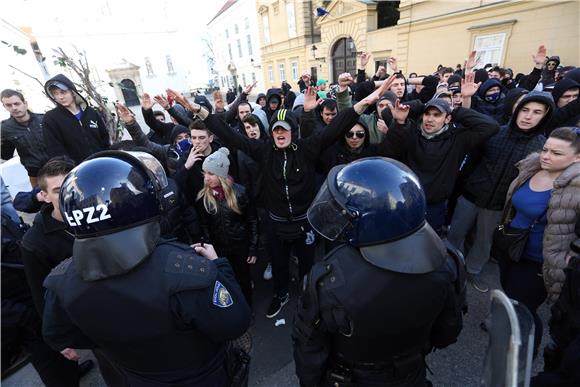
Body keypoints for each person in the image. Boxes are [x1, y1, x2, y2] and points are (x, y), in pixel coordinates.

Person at [188, 79, 396, 318]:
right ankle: (281, 294)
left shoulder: (307, 148)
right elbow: (230, 135)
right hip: (276, 223)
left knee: (308, 265)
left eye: (284, 129)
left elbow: (336, 127)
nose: (280, 134)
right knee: (279, 264)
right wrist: (198, 111)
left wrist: (365, 103)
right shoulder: (263, 151)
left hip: (304, 222)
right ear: (272, 132)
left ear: (291, 131)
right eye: (276, 129)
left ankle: (308, 296)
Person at [42, 150, 251, 386]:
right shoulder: (188, 274)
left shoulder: (59, 282)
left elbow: (57, 334)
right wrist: (218, 265)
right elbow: (236, 323)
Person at [293, 157, 463, 387]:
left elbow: (310, 350)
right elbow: (447, 334)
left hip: (351, 377)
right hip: (410, 374)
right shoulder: (448, 262)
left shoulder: (330, 282)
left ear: (370, 223)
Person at [448, 91, 555, 293]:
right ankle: (451, 268)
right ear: (516, 110)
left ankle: (471, 273)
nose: (528, 116)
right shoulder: (496, 132)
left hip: (499, 206)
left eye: (536, 112)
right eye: (525, 110)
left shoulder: (541, 147)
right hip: (470, 196)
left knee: (484, 242)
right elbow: (472, 159)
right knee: (455, 234)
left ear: (545, 116)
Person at [498, 127, 580, 353]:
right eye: (546, 149)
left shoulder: (576, 187)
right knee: (511, 299)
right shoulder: (530, 167)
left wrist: (573, 256)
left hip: (539, 262)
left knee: (524, 311)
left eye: (557, 153)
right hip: (512, 247)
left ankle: (523, 357)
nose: (546, 156)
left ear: (577, 158)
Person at [196, 147, 258, 306]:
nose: (206, 178)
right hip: (219, 249)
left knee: (244, 279)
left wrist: (252, 248)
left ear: (221, 175)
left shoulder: (240, 193)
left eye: (211, 174)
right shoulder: (204, 197)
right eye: (204, 174)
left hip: (240, 246)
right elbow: (204, 225)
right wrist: (208, 246)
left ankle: (247, 307)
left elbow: (252, 221)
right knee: (226, 280)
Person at [42, 74, 110, 165]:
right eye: (55, 93)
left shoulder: (90, 112)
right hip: (76, 171)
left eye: (63, 92)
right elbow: (55, 151)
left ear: (73, 92)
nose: (60, 97)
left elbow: (104, 139)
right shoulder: (50, 118)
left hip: (102, 164)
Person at [1, 89, 50, 187]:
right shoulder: (5, 128)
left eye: (16, 103)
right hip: (36, 176)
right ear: (4, 107)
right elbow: (6, 155)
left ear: (25, 103)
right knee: (44, 202)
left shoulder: (44, 119)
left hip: (60, 167)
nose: (14, 108)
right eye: (9, 105)